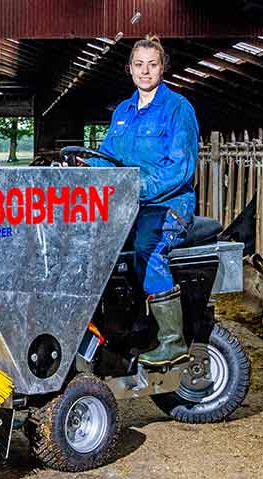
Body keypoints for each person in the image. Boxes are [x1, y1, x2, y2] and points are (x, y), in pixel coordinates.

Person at [87, 34, 199, 367]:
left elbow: (180, 167)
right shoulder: (123, 111)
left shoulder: (179, 108)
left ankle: (172, 340)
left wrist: (135, 190)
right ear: (129, 69)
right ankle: (116, 327)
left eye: (152, 64)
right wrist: (84, 169)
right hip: (128, 204)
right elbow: (107, 155)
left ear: (162, 68)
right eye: (139, 65)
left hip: (168, 204)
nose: (145, 71)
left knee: (148, 247)